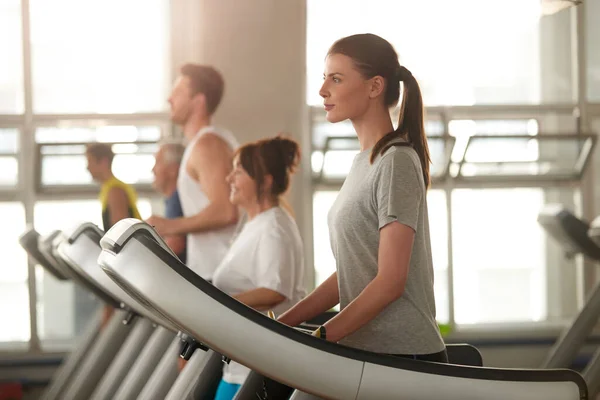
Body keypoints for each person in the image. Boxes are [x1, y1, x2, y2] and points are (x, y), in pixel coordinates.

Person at [278, 33, 448, 363]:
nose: (323, 90)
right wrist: (284, 324)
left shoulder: (396, 161)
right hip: (364, 354)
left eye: (336, 79)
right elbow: (352, 272)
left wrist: (320, 337)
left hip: (404, 357)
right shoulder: (366, 161)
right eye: (324, 78)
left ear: (374, 87)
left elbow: (390, 283)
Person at [211, 135, 306, 400]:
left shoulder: (274, 227)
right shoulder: (255, 224)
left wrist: (216, 305)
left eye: (238, 172)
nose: (229, 178)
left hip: (258, 370)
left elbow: (275, 291)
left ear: (265, 181)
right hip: (240, 365)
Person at [146, 64, 238, 282]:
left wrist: (169, 225)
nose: (169, 99)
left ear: (199, 101)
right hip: (212, 274)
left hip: (220, 277)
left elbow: (226, 211)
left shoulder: (208, 144)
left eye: (177, 93)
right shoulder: (202, 144)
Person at [86, 142, 142, 326]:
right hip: (126, 263)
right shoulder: (108, 189)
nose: (87, 167)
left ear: (102, 162)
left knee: (109, 313)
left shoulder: (115, 190)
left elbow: (121, 234)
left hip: (131, 263)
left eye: (89, 162)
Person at [151, 140, 187, 263]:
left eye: (157, 162)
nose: (153, 169)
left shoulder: (178, 199)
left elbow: (175, 246)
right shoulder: (173, 199)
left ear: (173, 170)